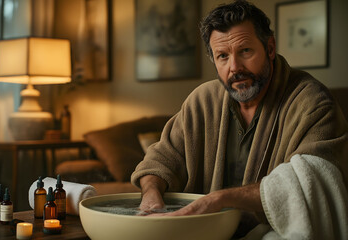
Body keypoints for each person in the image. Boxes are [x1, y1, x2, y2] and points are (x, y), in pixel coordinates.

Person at [131, 0, 348, 238]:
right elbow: (160, 160)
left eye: (245, 51)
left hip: (272, 230)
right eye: (222, 56)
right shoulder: (201, 101)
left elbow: (309, 185)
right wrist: (151, 192)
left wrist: (219, 199)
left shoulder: (312, 103)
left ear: (270, 48)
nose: (234, 67)